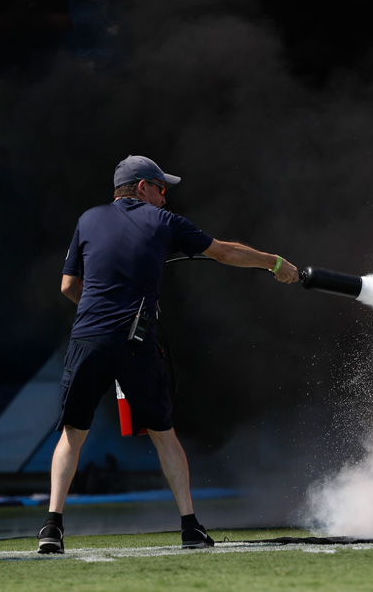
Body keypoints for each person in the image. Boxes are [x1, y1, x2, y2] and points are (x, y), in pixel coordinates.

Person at [37, 155, 300, 554]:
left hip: (88, 337)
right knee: (164, 435)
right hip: (135, 342)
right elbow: (226, 252)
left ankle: (51, 528)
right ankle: (190, 527)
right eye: (161, 189)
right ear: (142, 187)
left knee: (73, 434)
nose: (165, 198)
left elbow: (68, 286)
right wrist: (276, 263)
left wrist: (97, 311)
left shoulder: (87, 219)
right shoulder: (164, 222)